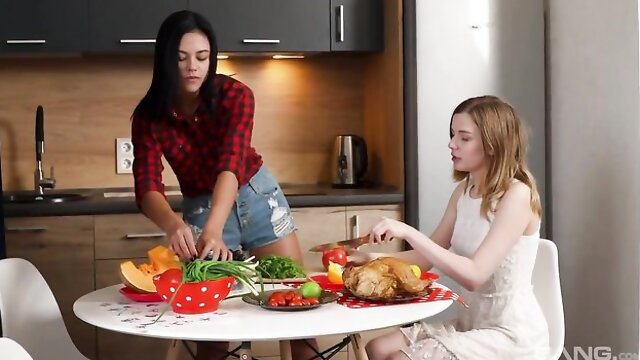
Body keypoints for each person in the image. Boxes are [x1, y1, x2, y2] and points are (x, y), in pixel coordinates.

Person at [130, 10, 317, 360]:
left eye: (202, 58)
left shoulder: (236, 96)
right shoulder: (148, 117)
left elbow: (230, 165)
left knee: (296, 307)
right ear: (165, 59)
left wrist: (213, 230)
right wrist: (173, 224)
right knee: (211, 326)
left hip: (257, 196)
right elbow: (146, 187)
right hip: (200, 205)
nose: (192, 67)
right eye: (181, 57)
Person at [352, 96, 550, 360]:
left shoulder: (517, 196)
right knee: (375, 348)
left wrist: (409, 232)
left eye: (464, 138)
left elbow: (474, 275)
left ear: (492, 144)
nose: (451, 144)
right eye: (452, 134)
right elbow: (423, 259)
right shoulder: (464, 192)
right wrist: (368, 260)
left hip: (510, 334)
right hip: (472, 324)